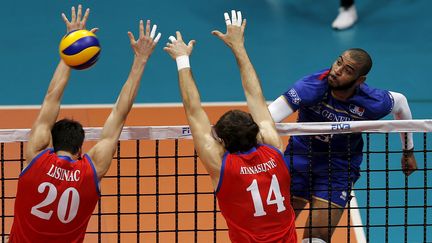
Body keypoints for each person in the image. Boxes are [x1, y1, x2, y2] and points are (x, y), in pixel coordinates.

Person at [9, 5, 161, 242]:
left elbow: (52, 98)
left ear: (50, 141)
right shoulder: (91, 171)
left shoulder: (36, 156)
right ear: (80, 149)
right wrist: (140, 60)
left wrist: (71, 47)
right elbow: (120, 113)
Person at [164, 10, 297, 243]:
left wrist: (182, 59)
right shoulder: (274, 149)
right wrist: (239, 47)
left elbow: (193, 111)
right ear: (256, 133)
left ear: (222, 142)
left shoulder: (221, 165)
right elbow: (255, 96)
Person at [268, 48, 417, 243]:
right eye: (338, 62)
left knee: (317, 238)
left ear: (359, 80)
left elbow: (401, 104)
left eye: (347, 70)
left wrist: (408, 151)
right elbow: (268, 118)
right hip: (300, 159)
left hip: (339, 166)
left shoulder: (372, 102)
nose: (337, 70)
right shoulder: (311, 87)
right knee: (274, 230)